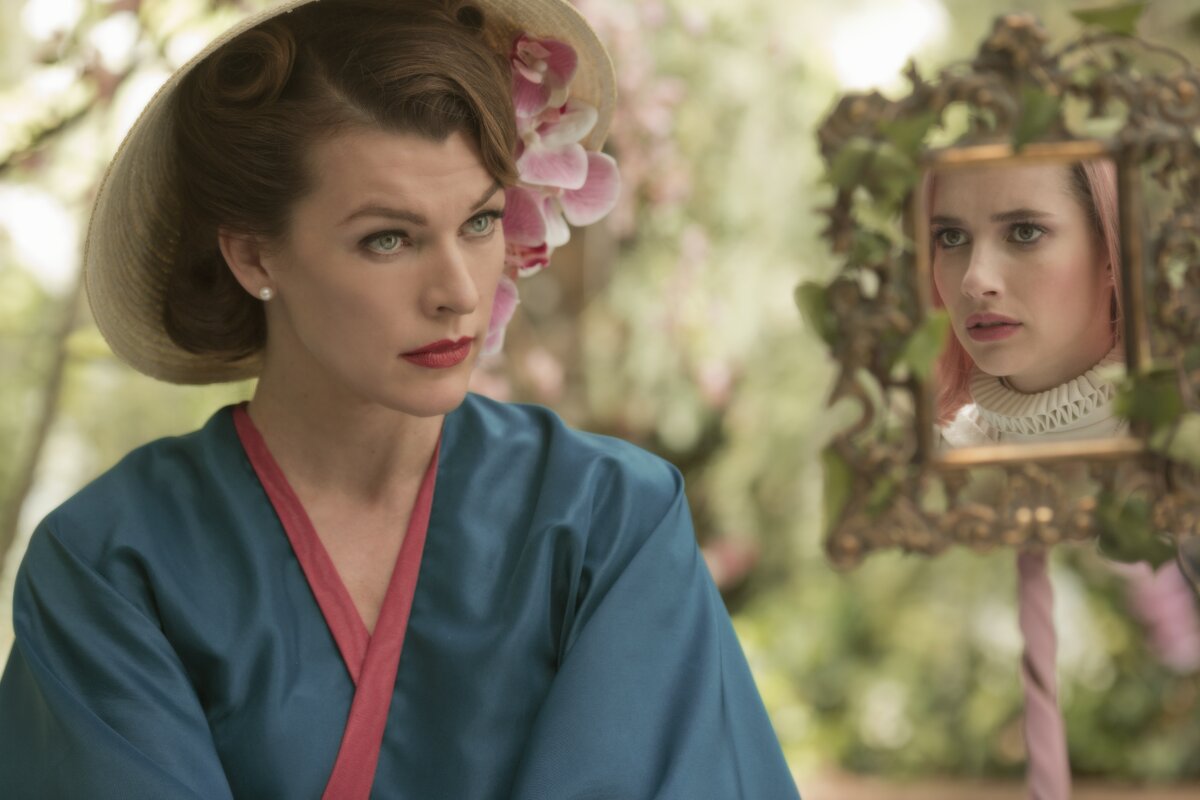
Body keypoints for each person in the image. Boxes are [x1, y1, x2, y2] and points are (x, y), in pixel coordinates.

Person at [0, 1, 799, 797]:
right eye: (389, 239)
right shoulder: (113, 564)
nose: (459, 292)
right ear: (253, 257)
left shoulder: (608, 522)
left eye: (481, 222)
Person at [930, 159, 1124, 447]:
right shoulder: (927, 453)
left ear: (1110, 248)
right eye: (952, 237)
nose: (974, 282)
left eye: (1025, 232)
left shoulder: (1179, 440)